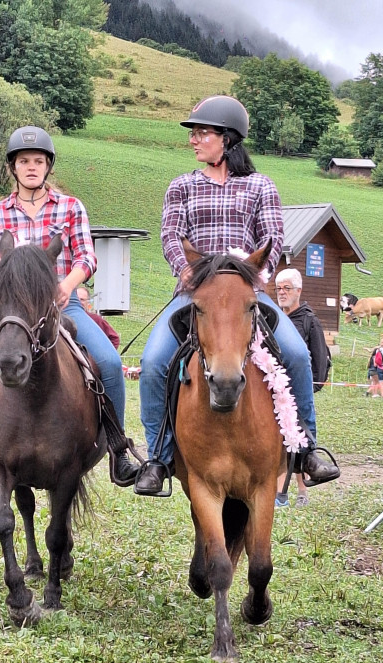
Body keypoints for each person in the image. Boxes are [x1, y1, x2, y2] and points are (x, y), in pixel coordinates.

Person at [136, 95, 340, 495]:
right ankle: (158, 459)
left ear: (227, 139)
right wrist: (189, 275)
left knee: (297, 354)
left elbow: (272, 239)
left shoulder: (260, 186)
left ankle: (306, 450)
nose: (194, 140)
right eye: (193, 133)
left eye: (202, 133)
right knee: (153, 361)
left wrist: (255, 279)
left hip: (247, 292)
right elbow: (171, 238)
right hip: (196, 293)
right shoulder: (182, 186)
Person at [0, 125, 137, 485]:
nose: (32, 167)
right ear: (13, 167)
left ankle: (120, 449)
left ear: (48, 166)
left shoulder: (71, 207)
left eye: (38, 161)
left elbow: (87, 257)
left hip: (63, 306)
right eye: (24, 161)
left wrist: (67, 285)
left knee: (107, 360)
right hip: (10, 310)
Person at [274, 268, 330, 507]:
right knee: (276, 441)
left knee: (298, 438)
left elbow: (319, 357)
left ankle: (302, 491)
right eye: (278, 288)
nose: (282, 293)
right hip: (273, 389)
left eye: (287, 288)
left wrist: (311, 386)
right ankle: (279, 494)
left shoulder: (309, 320)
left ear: (298, 290)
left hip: (297, 391)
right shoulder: (274, 318)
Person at [76, 285, 120, 350]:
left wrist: (105, 355)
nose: (79, 302)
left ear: (88, 302)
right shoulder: (64, 318)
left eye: (82, 299)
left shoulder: (95, 319)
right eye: (77, 299)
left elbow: (114, 338)